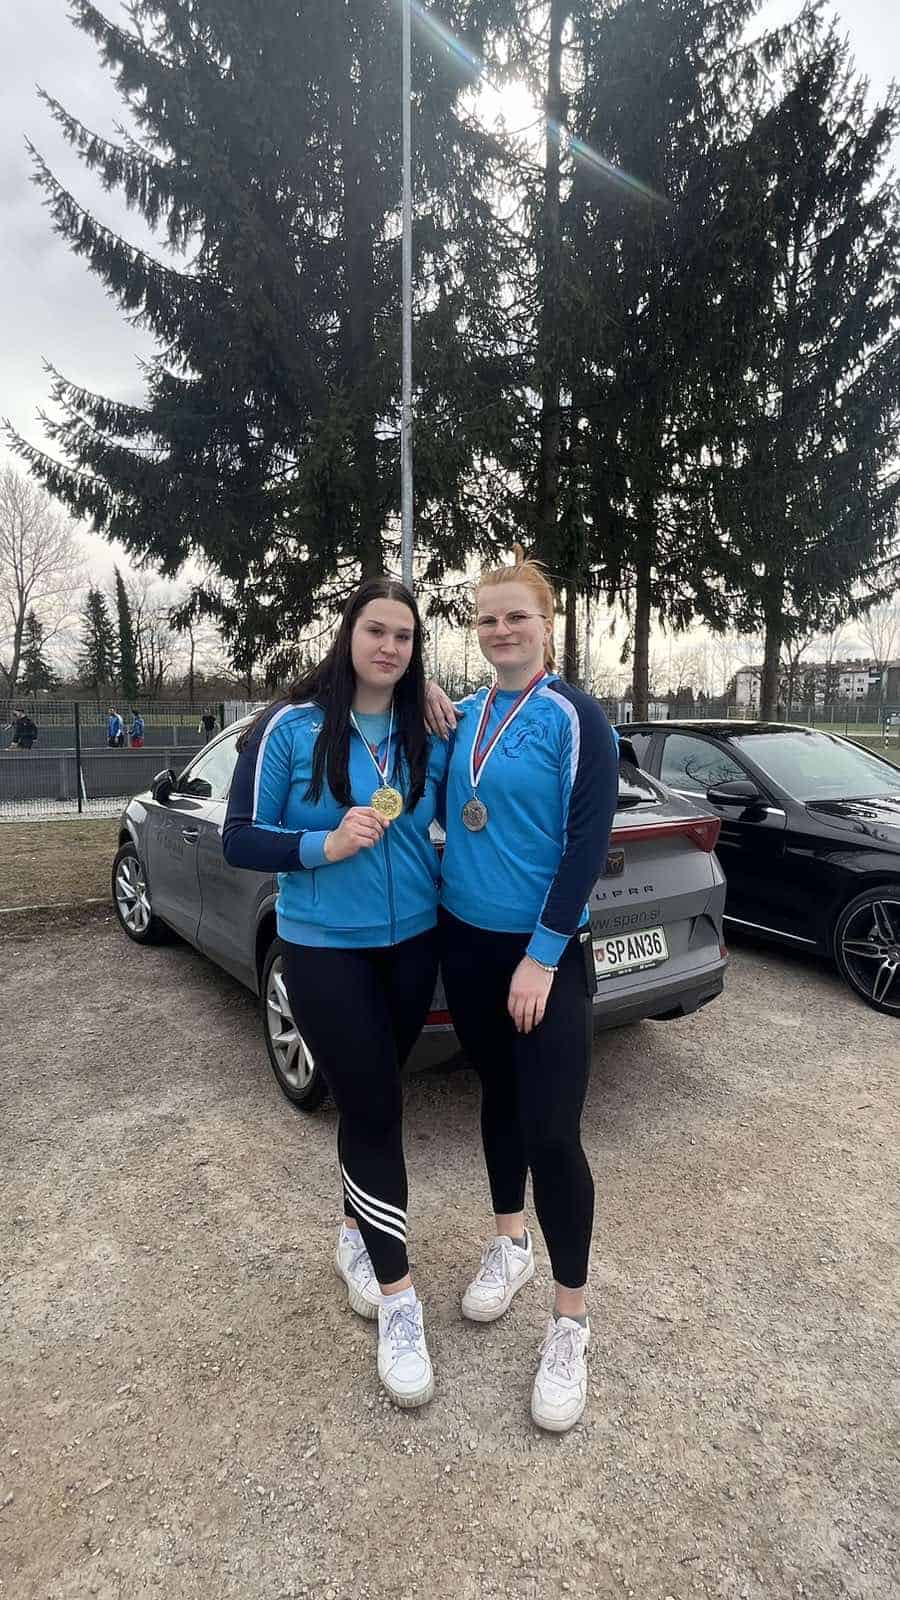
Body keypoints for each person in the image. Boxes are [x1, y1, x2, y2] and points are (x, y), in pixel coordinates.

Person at [222, 578, 447, 1409]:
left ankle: (354, 1231)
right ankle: (399, 1301)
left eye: (404, 637)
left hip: (413, 942)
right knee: (378, 1107)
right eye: (375, 630)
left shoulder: (429, 729)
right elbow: (240, 838)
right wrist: (324, 843)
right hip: (323, 948)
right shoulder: (289, 727)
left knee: (370, 1100)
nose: (389, 647)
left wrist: (435, 694)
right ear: (348, 633)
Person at [427, 546, 618, 1434]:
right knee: (497, 1100)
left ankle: (570, 1322)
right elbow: (427, 799)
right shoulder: (462, 715)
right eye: (487, 617)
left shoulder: (576, 718)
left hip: (542, 954)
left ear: (547, 625)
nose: (501, 629)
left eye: (517, 616)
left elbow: (586, 844)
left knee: (552, 1132)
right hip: (465, 943)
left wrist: (542, 954)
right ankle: (511, 1244)